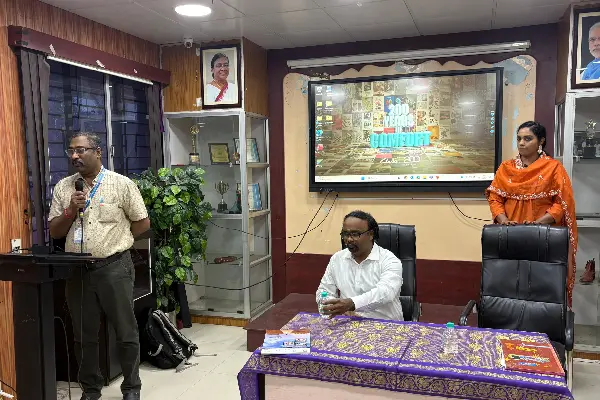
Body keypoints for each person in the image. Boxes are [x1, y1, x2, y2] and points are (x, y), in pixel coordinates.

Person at [49, 132, 150, 400]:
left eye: (81, 150)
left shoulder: (121, 184)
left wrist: (118, 241)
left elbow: (142, 222)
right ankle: (91, 390)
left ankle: (131, 387)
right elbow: (56, 231)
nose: (75, 156)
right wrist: (71, 210)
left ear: (98, 152)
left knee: (125, 331)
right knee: (84, 336)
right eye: (71, 151)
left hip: (114, 267)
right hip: (78, 271)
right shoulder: (64, 187)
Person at [486, 121, 578, 307]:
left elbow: (562, 203)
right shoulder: (506, 168)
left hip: (543, 237)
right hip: (511, 236)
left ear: (541, 141)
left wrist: (539, 223)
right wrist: (503, 220)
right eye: (519, 138)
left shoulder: (553, 168)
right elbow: (495, 198)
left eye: (528, 139)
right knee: (510, 286)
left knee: (540, 289)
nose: (521, 143)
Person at [316, 211, 404, 320]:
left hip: (384, 323)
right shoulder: (337, 259)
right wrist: (332, 305)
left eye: (355, 234)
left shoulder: (389, 260)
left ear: (371, 234)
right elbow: (324, 290)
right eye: (345, 234)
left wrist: (352, 304)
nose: (349, 239)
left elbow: (385, 292)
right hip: (348, 322)